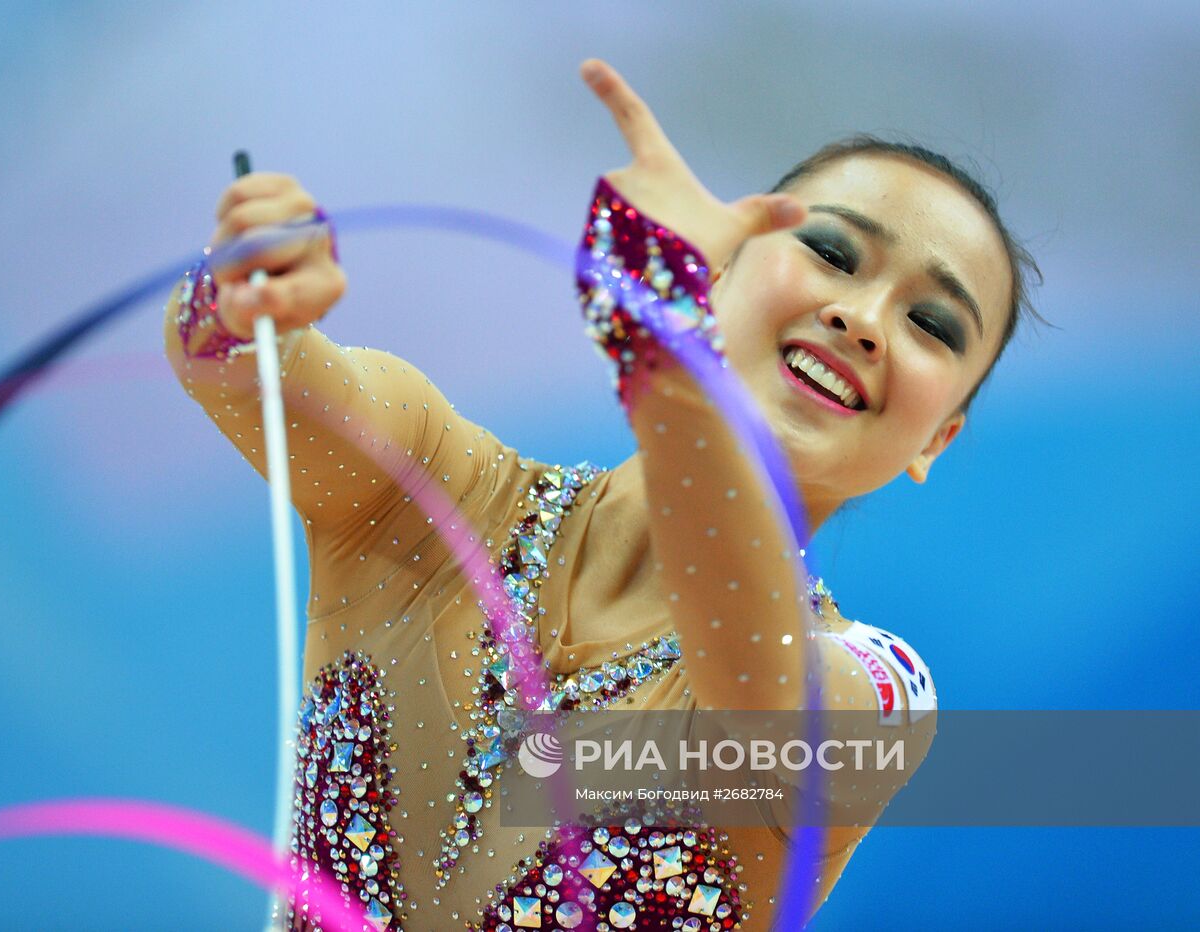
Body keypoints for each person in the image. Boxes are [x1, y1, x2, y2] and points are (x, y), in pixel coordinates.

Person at [164, 59, 1039, 930]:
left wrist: (665, 361)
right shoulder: (432, 493)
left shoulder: (876, 699)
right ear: (723, 270)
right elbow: (234, 364)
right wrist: (249, 289)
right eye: (832, 252)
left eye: (933, 324)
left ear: (937, 438)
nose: (864, 319)